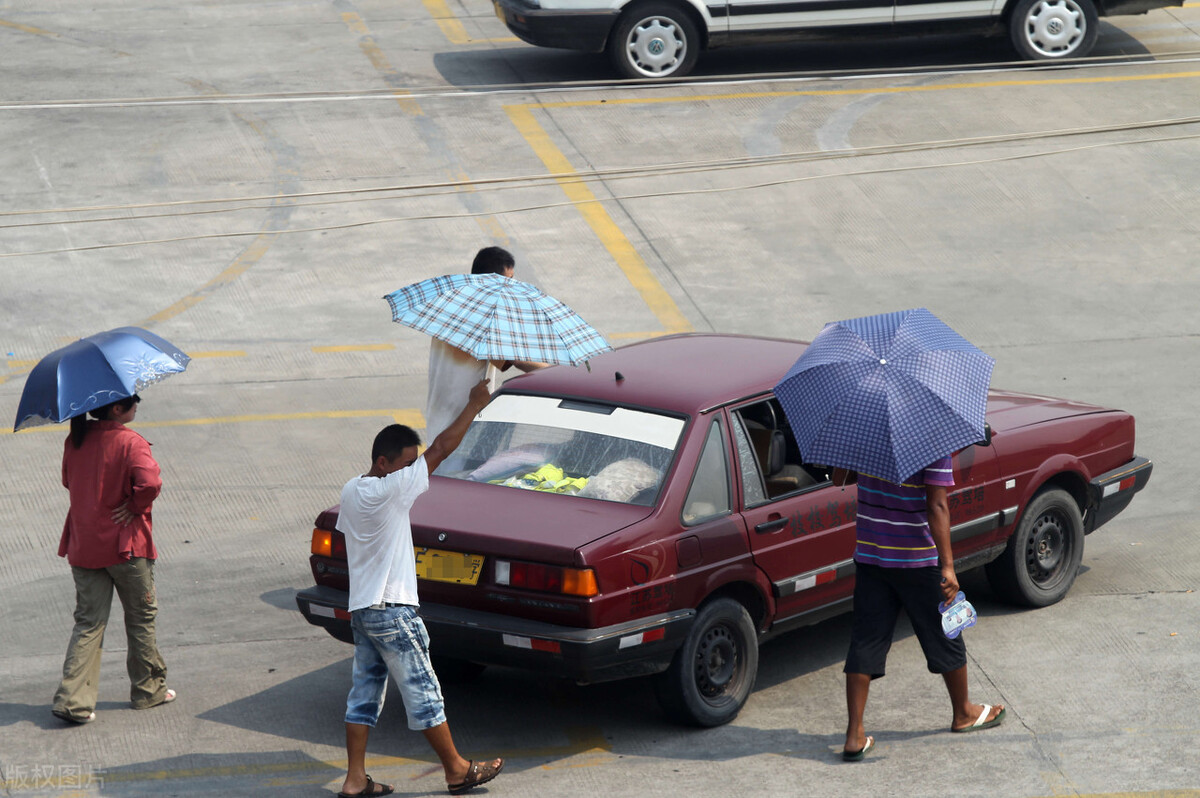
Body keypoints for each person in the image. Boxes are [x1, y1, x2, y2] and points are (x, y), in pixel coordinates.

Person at [336, 379, 503, 797]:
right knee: (424, 692)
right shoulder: (392, 490)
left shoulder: (352, 489)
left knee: (364, 696)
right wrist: (475, 406)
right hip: (392, 609)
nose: (414, 469)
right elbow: (443, 448)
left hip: (362, 609)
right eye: (407, 463)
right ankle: (457, 770)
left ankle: (356, 780)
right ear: (383, 463)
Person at [835, 457, 1005, 761]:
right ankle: (963, 713)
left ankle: (854, 735)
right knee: (946, 632)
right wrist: (949, 566)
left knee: (866, 639)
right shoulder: (930, 442)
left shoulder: (863, 436)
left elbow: (838, 480)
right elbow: (937, 505)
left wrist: (845, 454)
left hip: (872, 557)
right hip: (916, 559)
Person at [52, 394, 174, 725]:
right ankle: (148, 690)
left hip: (85, 544)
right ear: (117, 408)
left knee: (89, 622)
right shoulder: (130, 442)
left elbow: (68, 481)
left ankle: (73, 702)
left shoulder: (76, 439)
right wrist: (133, 505)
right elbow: (149, 483)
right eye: (134, 401)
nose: (139, 405)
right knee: (141, 617)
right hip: (125, 547)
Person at [424, 246, 546, 442]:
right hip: (461, 431)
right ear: (490, 282)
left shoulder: (451, 305)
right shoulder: (482, 318)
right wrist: (558, 372)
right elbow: (517, 360)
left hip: (438, 423)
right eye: (508, 281)